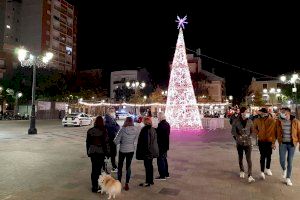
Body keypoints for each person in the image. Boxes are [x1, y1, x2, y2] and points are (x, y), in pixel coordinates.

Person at [275, 107, 300, 186]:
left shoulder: (296, 121)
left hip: (292, 144)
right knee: (282, 159)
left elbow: (299, 132)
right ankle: (284, 169)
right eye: (281, 112)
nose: (282, 113)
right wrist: (273, 142)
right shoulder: (279, 121)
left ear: (289, 113)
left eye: (284, 112)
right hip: (282, 143)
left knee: (290, 161)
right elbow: (275, 132)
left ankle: (288, 178)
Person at [114, 117, 139, 191]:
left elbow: (116, 141)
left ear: (126, 121)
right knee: (128, 166)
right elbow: (135, 140)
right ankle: (127, 184)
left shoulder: (122, 130)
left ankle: (118, 182)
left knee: (120, 166)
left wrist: (121, 141)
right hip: (131, 150)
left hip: (123, 150)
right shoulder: (135, 130)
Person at [86, 116, 110, 193]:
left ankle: (94, 186)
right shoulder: (104, 131)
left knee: (94, 169)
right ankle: (99, 185)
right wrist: (107, 153)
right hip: (101, 152)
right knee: (99, 169)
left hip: (92, 152)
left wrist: (88, 152)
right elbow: (106, 144)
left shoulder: (90, 130)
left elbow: (88, 143)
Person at [231, 107, 255, 183]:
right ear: (242, 113)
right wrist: (238, 137)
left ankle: (250, 175)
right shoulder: (236, 121)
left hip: (248, 143)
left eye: (248, 112)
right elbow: (233, 131)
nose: (248, 113)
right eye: (246, 112)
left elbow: (252, 131)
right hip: (240, 143)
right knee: (240, 157)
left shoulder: (250, 121)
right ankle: (241, 170)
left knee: (249, 159)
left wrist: (250, 136)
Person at [253, 107, 276, 180]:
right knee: (262, 156)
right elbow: (254, 128)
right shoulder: (257, 120)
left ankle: (268, 168)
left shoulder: (272, 120)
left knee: (269, 156)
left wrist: (273, 142)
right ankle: (262, 171)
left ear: (266, 113)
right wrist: (258, 133)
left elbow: (274, 132)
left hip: (269, 140)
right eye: (260, 113)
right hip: (261, 140)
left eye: (262, 113)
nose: (261, 114)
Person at [136, 117, 159, 187]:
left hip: (147, 152)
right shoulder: (153, 129)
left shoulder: (145, 130)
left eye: (143, 122)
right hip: (152, 151)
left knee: (147, 166)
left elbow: (146, 142)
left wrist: (145, 151)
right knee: (150, 166)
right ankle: (151, 181)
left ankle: (148, 182)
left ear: (145, 122)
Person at [155, 112, 170, 181]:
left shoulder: (161, 124)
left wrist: (154, 129)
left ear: (160, 117)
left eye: (158, 117)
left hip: (161, 145)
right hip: (165, 145)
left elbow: (159, 134)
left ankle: (162, 175)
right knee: (164, 159)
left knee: (160, 160)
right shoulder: (167, 124)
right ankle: (166, 174)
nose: (157, 118)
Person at [105, 107, 120, 172]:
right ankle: (112, 166)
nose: (113, 112)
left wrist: (116, 127)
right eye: (112, 111)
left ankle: (113, 166)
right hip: (109, 138)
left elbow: (117, 126)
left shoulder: (112, 118)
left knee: (112, 153)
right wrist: (115, 128)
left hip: (112, 137)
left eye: (114, 111)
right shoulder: (107, 118)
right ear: (109, 112)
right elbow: (111, 127)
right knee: (110, 153)